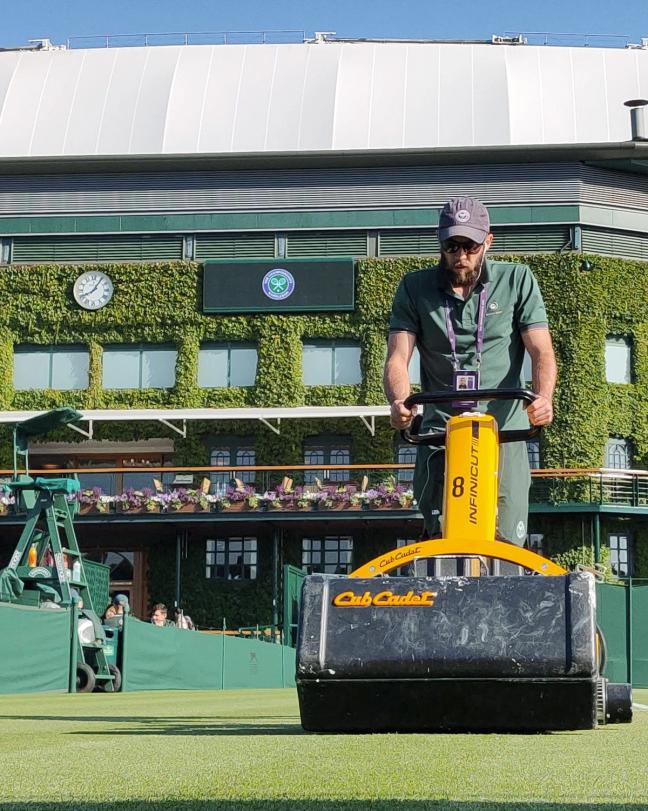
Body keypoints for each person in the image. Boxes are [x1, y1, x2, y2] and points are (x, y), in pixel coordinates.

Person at [385, 197, 556, 545]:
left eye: (470, 245)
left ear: (488, 242)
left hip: (504, 428)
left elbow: (542, 351)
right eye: (451, 245)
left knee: (505, 538)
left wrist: (543, 399)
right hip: (439, 430)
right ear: (440, 242)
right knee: (440, 536)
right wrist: (400, 402)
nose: (460, 255)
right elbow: (397, 356)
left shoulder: (517, 280)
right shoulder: (414, 287)